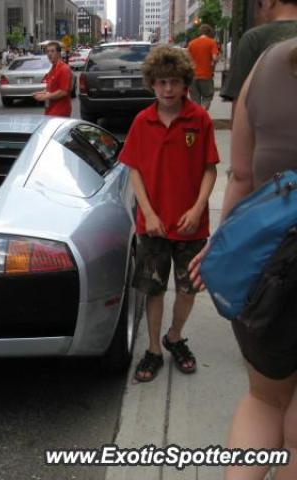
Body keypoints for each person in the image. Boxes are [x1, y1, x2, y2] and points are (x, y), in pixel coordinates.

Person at [189, 37, 297, 480]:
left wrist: (217, 248)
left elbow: (242, 177)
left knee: (263, 400)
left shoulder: (269, 64)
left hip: (268, 265)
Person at [119, 45, 219, 382]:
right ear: (152, 84)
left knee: (188, 290)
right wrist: (148, 212)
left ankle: (174, 337)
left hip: (192, 225)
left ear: (185, 82)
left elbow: (210, 169)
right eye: (161, 82)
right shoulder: (141, 121)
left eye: (174, 82)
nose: (168, 89)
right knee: (154, 289)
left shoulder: (199, 119)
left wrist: (197, 207)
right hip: (154, 226)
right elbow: (133, 170)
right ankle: (153, 350)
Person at [221, 0, 297, 111]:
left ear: (271, 2)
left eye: (260, 3)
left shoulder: (253, 39)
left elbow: (239, 100)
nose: (259, 11)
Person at [33, 41, 73, 117]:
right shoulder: (52, 69)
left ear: (58, 53)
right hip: (50, 110)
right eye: (47, 51)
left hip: (60, 112)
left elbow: (63, 91)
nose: (49, 54)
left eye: (52, 51)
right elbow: (51, 88)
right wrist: (41, 93)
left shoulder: (64, 69)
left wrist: (46, 96)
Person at [187, 24, 219, 110]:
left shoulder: (191, 43)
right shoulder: (212, 42)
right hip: (206, 75)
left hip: (193, 76)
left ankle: (198, 117)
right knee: (207, 97)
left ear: (199, 32)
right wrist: (213, 64)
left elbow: (187, 59)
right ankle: (203, 113)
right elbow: (214, 58)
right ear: (209, 32)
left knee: (195, 99)